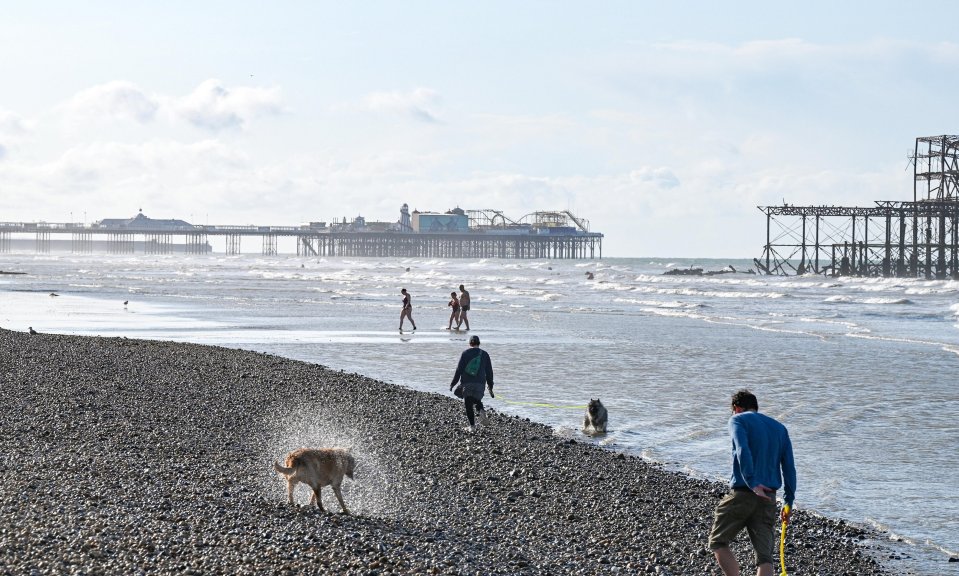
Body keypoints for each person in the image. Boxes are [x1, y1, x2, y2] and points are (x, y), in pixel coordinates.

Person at [709, 389, 796, 576]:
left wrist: (752, 483)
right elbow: (789, 468)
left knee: (718, 541)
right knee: (765, 557)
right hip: (769, 498)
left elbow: (742, 449)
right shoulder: (780, 428)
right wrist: (788, 502)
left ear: (736, 408)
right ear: (755, 407)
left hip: (744, 492)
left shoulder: (737, 420)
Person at [449, 334, 494, 432]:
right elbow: (489, 372)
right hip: (480, 384)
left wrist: (453, 383)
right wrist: (490, 386)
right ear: (479, 343)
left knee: (468, 402)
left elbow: (459, 370)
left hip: (467, 383)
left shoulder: (465, 353)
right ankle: (480, 409)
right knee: (476, 399)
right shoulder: (485, 354)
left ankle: (472, 426)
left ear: (470, 343)